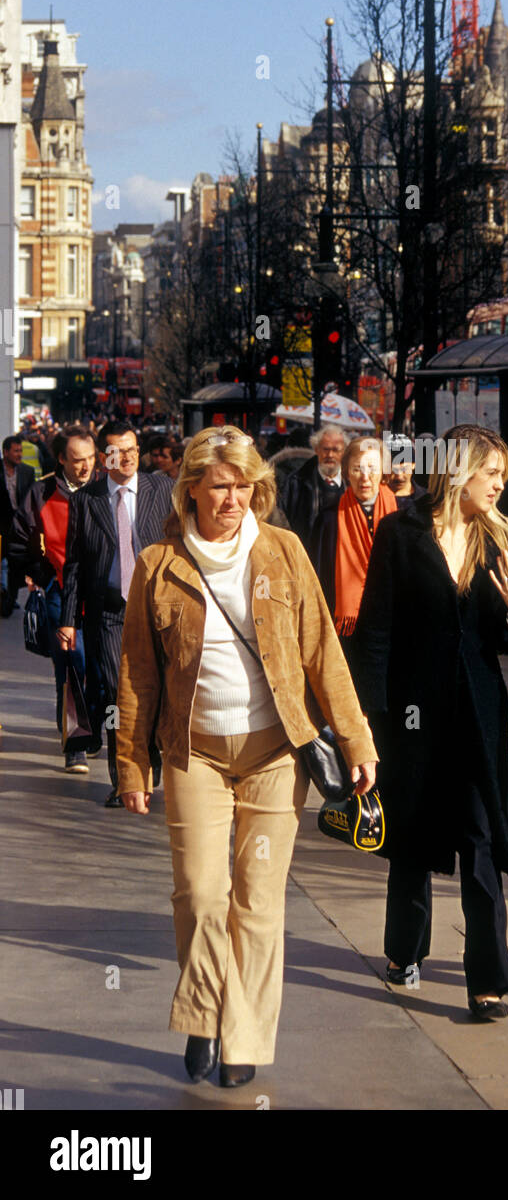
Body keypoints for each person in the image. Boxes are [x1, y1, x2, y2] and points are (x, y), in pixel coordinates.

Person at [115, 426, 377, 1087]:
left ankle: (243, 1039)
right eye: (219, 485)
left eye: (243, 485)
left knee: (257, 903)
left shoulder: (283, 552)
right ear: (192, 490)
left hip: (273, 754)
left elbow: (321, 651)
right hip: (192, 752)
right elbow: (138, 673)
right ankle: (203, 1011)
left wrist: (355, 739)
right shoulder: (158, 564)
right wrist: (129, 763)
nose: (233, 497)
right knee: (202, 896)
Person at [352, 425, 508, 1019]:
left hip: (479, 716)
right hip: (411, 714)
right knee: (411, 837)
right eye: (492, 475)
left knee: (480, 840)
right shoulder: (400, 532)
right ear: (461, 470)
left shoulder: (503, 540)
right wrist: (368, 723)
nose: (499, 487)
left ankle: (487, 979)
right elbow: (377, 631)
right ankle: (404, 948)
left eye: (503, 478)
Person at [59, 420, 174, 806]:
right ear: (103, 457)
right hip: (108, 614)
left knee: (157, 693)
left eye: (131, 450)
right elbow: (73, 563)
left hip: (156, 611)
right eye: (116, 451)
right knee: (113, 698)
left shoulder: (162, 488)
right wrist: (68, 619)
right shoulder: (86, 500)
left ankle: (150, 763)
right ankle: (122, 777)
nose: (125, 458)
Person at [9, 426, 97, 772]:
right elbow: (19, 538)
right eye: (77, 460)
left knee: (103, 672)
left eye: (91, 459)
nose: (85, 467)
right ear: (61, 459)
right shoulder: (41, 492)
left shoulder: (106, 491)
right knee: (71, 666)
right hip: (62, 594)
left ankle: (100, 731)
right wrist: (40, 575)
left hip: (102, 595)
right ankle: (75, 741)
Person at [310, 435, 397, 667]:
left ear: (384, 472)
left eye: (372, 468)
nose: (365, 477)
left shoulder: (402, 516)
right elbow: (318, 578)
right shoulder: (329, 519)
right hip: (348, 634)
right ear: (346, 472)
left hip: (393, 628)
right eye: (357, 469)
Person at [280, 426, 347, 549]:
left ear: (344, 452)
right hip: (306, 557)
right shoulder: (296, 483)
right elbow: (282, 525)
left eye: (336, 450)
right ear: (316, 450)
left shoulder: (352, 483)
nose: (330, 455)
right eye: (325, 449)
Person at [1, 435, 36, 615]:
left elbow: (32, 501)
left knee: (15, 565)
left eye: (20, 450)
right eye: (15, 451)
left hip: (18, 529)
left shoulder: (27, 472)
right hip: (1, 526)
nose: (19, 454)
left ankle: (9, 600)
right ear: (5, 452)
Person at [383, 434, 427, 511]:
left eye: (404, 469)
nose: (399, 476)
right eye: (393, 470)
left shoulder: (427, 499)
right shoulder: (376, 499)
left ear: (413, 465)